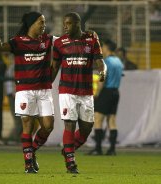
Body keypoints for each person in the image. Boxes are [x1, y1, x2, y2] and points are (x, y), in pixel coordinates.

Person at [0, 11, 55, 173]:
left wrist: (85, 35)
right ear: (32, 23)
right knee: (28, 126)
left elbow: (68, 40)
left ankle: (31, 151)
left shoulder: (48, 40)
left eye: (44, 22)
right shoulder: (18, 42)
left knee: (48, 126)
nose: (43, 25)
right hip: (25, 90)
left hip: (44, 90)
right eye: (41, 22)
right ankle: (28, 164)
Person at [52, 12, 107, 174]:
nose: (65, 26)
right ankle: (70, 161)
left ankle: (67, 150)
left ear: (77, 24)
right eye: (64, 23)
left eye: (68, 23)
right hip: (67, 91)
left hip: (86, 91)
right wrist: (46, 84)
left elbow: (100, 61)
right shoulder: (60, 43)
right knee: (70, 124)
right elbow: (54, 67)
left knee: (87, 128)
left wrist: (102, 71)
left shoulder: (91, 39)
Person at [88, 39, 123, 156]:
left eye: (102, 46)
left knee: (98, 119)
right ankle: (112, 149)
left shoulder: (106, 62)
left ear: (107, 48)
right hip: (115, 92)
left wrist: (96, 94)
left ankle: (98, 149)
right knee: (112, 120)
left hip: (106, 92)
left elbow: (102, 79)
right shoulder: (119, 61)